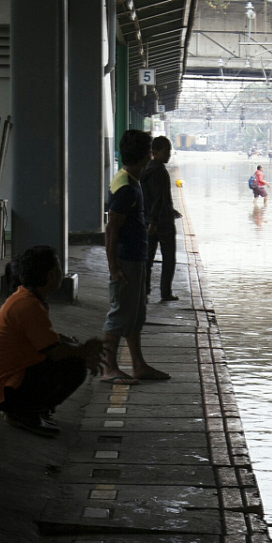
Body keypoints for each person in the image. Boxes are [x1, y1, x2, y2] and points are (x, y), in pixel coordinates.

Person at [0, 244, 101, 438]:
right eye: (59, 268)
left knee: (70, 356)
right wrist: (83, 350)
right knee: (74, 366)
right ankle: (23, 413)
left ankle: (31, 410)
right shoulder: (29, 306)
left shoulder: (25, 298)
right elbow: (55, 351)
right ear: (51, 275)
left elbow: (48, 339)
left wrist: (77, 347)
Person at [103, 130, 170, 383]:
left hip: (136, 258)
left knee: (134, 314)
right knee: (120, 313)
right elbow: (112, 229)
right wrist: (114, 269)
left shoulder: (129, 180)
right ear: (146, 155)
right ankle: (109, 368)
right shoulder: (127, 189)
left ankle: (138, 365)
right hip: (126, 260)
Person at [142, 135, 180, 303]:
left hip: (150, 220)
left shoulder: (146, 169)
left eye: (169, 152)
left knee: (148, 258)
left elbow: (152, 197)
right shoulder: (160, 172)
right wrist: (156, 220)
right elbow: (159, 198)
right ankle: (165, 292)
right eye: (166, 152)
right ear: (155, 152)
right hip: (162, 223)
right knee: (169, 258)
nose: (168, 155)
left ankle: (145, 290)